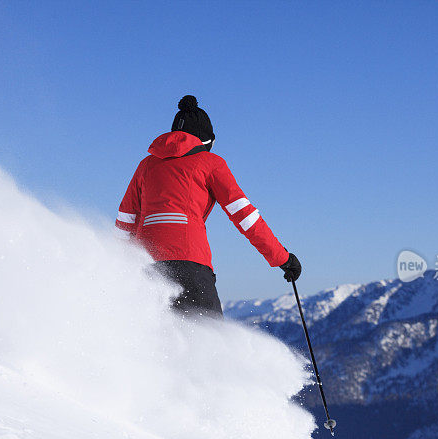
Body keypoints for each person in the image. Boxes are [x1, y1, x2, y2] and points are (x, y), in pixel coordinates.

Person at [115, 95, 301, 317]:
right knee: (209, 345)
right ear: (207, 141)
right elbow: (245, 216)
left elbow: (125, 220)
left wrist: (119, 264)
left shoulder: (145, 166)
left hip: (146, 267)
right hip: (191, 265)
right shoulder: (211, 163)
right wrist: (282, 258)